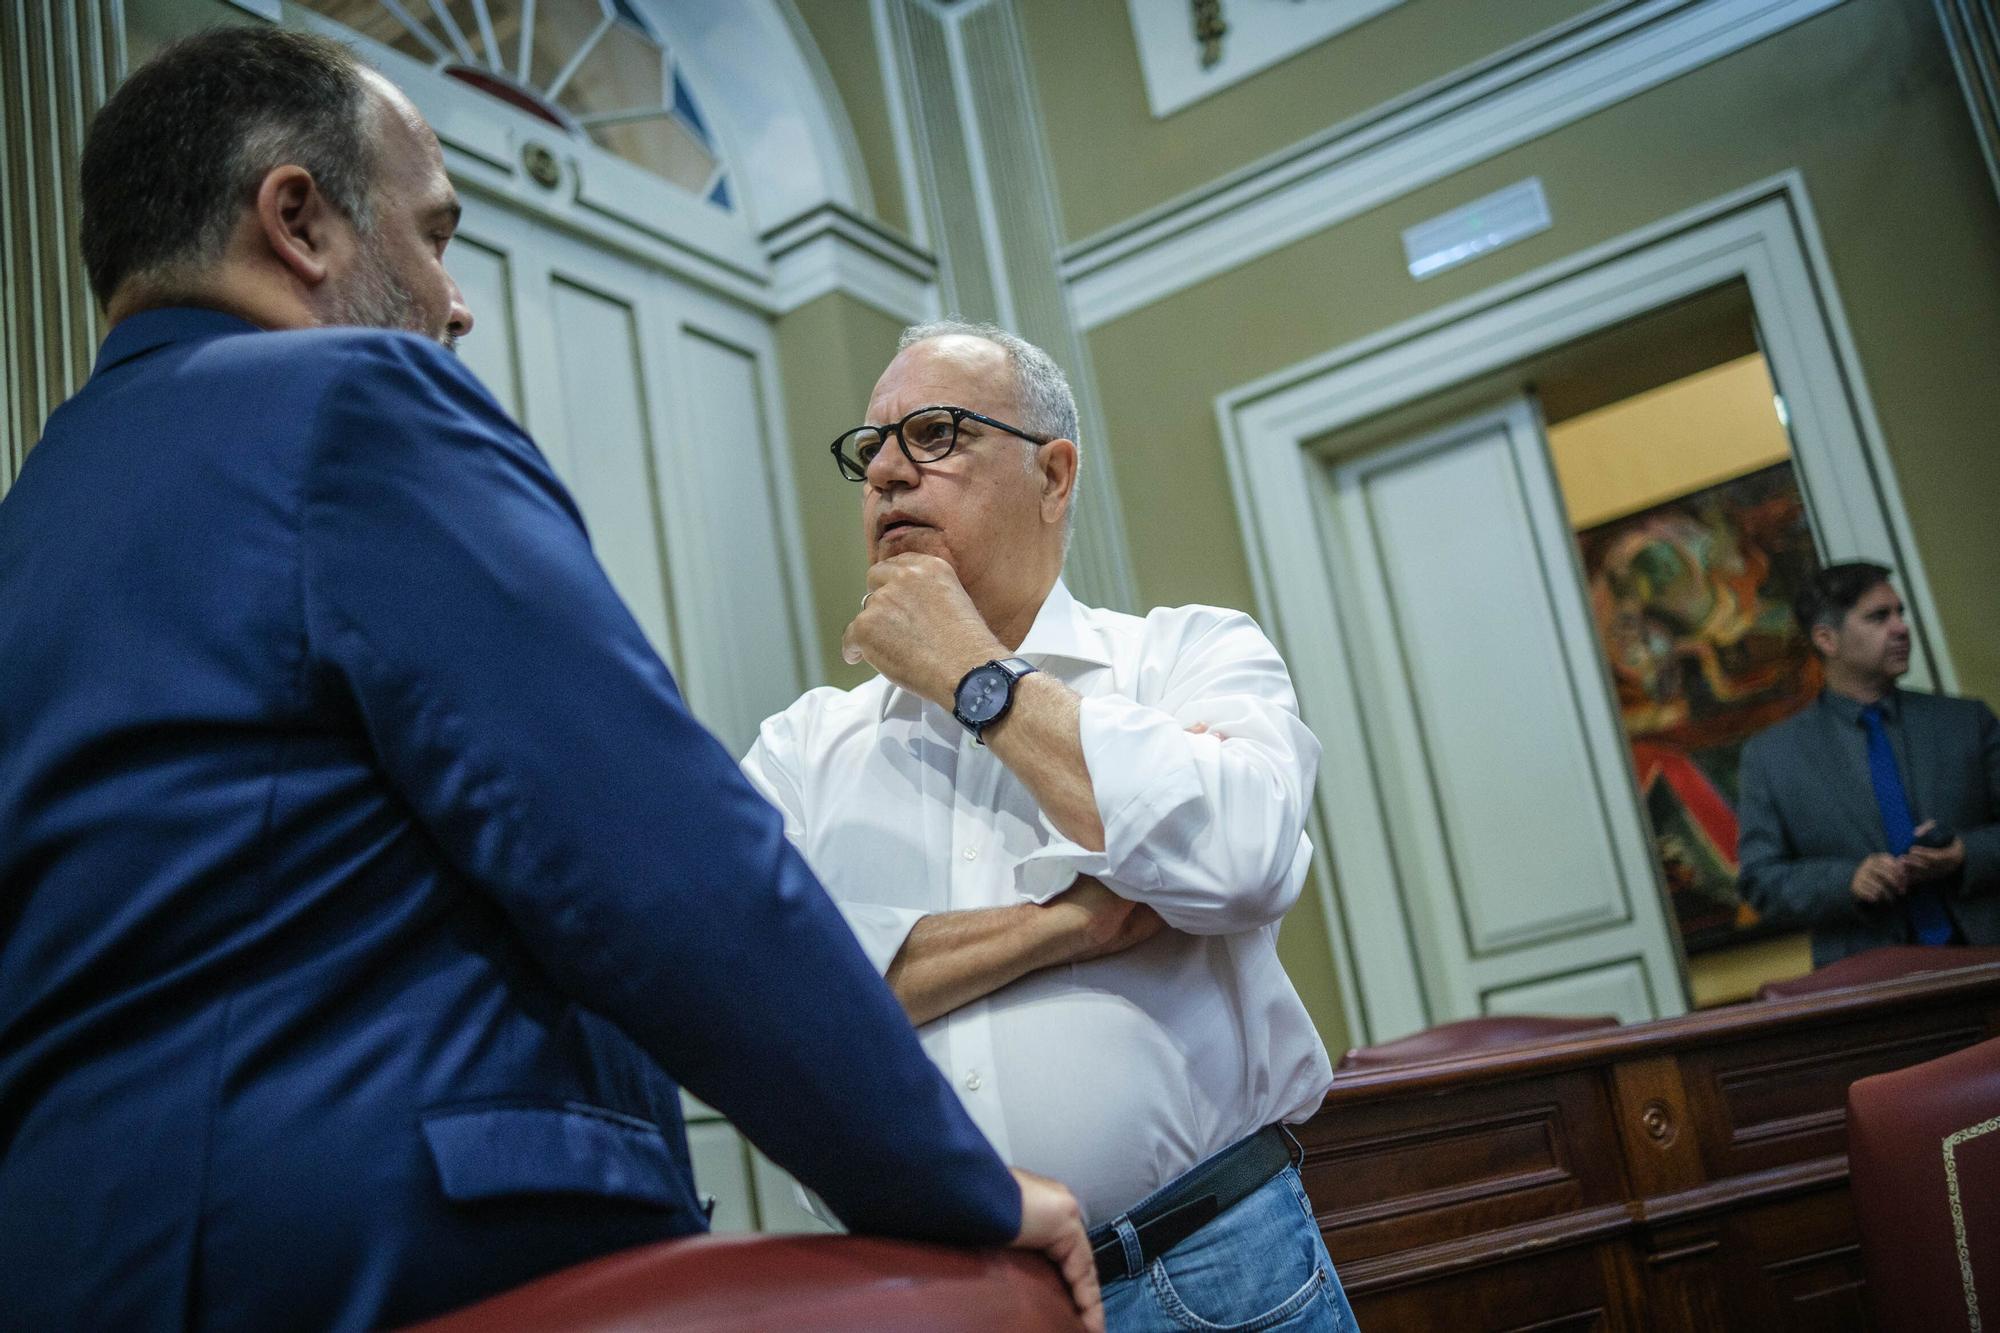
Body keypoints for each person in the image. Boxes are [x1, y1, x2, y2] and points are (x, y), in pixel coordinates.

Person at [0, 28, 1099, 1333]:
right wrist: (947, 1181)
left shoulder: (33, 519)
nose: (454, 300)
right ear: (298, 220)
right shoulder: (348, 406)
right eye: (434, 232)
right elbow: (661, 864)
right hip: (391, 1255)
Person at [741, 321, 1355, 1331]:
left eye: (934, 433)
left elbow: (1240, 859)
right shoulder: (804, 748)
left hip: (1209, 1270)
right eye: (870, 448)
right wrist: (1065, 925)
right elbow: (759, 1002)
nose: (887, 471)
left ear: (1053, 476)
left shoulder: (1186, 658)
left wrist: (972, 676)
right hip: (931, 1303)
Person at [1737, 561, 2000, 965]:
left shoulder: (1967, 722)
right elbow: (1760, 880)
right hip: (1868, 981)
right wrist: (1847, 881)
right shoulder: (1773, 757)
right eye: (1879, 617)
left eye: (1900, 613)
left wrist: (1964, 853)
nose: (1900, 628)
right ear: (1827, 639)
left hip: (1987, 955)